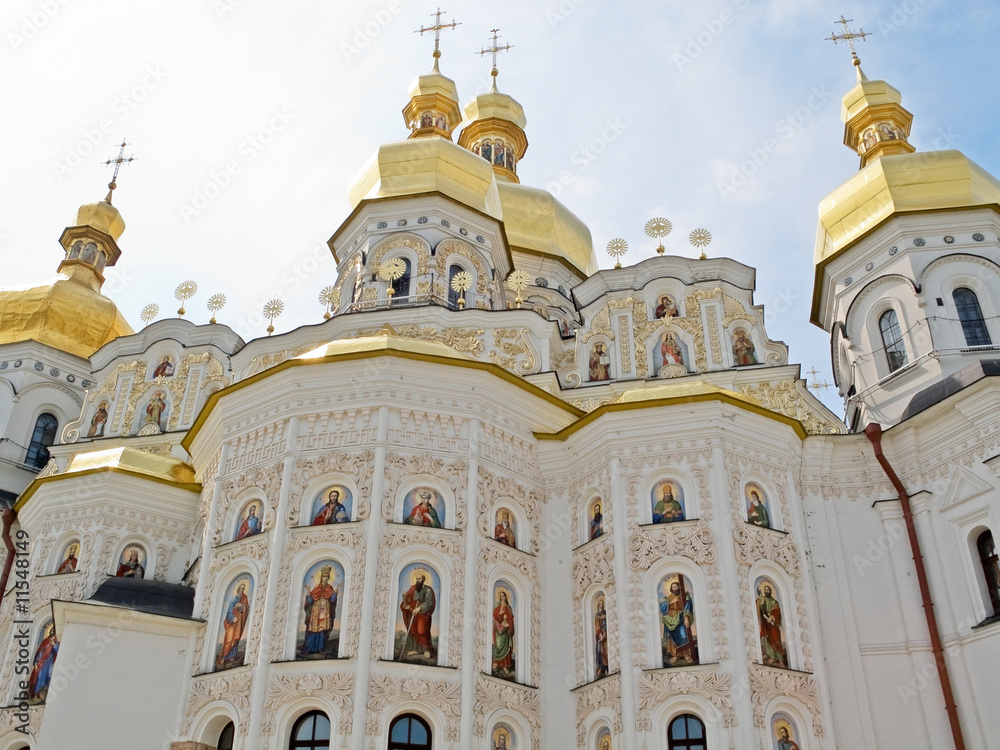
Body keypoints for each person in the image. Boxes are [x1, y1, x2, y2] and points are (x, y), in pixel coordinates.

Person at [301, 567, 338, 657]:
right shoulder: (316, 588)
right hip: (315, 612)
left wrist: (335, 592)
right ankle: (308, 649)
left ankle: (321, 648)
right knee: (313, 630)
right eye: (324, 577)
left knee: (322, 630)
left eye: (327, 577)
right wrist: (309, 593)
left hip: (325, 612)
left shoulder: (330, 588)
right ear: (321, 577)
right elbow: (310, 601)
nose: (325, 579)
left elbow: (332, 600)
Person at [399, 571, 436, 662]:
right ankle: (415, 650)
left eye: (419, 579)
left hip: (422, 614)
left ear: (423, 579)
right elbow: (408, 597)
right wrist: (406, 604)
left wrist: (419, 608)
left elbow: (428, 603)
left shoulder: (428, 590)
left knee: (421, 630)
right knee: (413, 630)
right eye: (416, 579)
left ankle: (426, 650)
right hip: (412, 612)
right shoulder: (413, 588)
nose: (417, 580)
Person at [660, 579, 697, 666]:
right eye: (673, 587)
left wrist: (687, 617)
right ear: (671, 589)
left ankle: (686, 654)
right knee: (672, 638)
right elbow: (662, 607)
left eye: (676, 586)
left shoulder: (685, 596)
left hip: (681, 618)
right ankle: (676, 655)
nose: (675, 588)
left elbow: (688, 606)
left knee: (684, 636)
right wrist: (670, 603)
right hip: (671, 618)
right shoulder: (669, 598)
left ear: (679, 587)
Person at [218, 581, 250, 668]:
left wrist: (242, 606)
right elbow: (229, 612)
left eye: (243, 589)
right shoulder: (233, 600)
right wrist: (233, 618)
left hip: (239, 622)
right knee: (229, 639)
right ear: (237, 589)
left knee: (236, 639)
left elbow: (247, 607)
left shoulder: (245, 597)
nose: (242, 590)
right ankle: (224, 656)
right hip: (231, 623)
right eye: (240, 588)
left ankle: (232, 656)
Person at [757, 583, 787, 667]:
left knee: (776, 639)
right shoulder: (762, 600)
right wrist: (761, 603)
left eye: (768, 590)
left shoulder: (774, 601)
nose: (766, 591)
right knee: (766, 639)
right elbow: (761, 610)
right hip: (765, 623)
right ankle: (771, 656)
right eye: (765, 590)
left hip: (773, 624)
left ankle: (780, 659)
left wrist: (772, 616)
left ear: (770, 591)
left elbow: (776, 611)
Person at [28, 624, 58, 703]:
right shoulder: (45, 641)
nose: (51, 631)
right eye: (51, 630)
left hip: (49, 662)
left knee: (47, 676)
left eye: (53, 630)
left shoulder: (56, 641)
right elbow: (40, 652)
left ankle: (42, 693)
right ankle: (36, 693)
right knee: (39, 676)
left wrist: (54, 645)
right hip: (41, 662)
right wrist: (35, 662)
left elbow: (58, 651)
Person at [491, 589, 515, 679]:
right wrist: (499, 613)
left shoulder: (508, 608)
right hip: (498, 630)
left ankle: (505, 665)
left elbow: (510, 619)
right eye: (500, 596)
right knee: (498, 646)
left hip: (505, 631)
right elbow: (495, 616)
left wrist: (507, 625)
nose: (502, 597)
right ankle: (497, 662)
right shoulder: (497, 607)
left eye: (503, 596)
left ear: (506, 597)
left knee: (505, 648)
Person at [594, 597, 609, 679]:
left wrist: (604, 635)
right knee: (599, 652)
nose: (601, 606)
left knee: (606, 651)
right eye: (600, 605)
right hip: (600, 636)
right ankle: (601, 667)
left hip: (605, 635)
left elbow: (606, 621)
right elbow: (597, 625)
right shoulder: (597, 615)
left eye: (602, 605)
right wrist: (600, 635)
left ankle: (606, 668)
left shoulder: (605, 613)